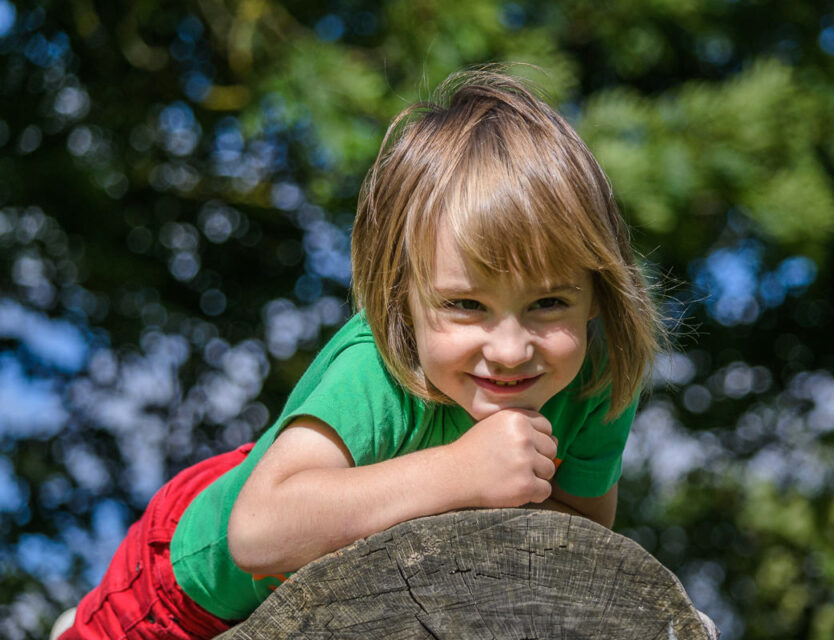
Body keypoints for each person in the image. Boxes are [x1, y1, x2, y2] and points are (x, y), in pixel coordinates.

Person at [54, 68, 661, 639]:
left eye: (550, 303)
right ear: (400, 293)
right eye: (466, 306)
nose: (508, 350)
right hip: (187, 595)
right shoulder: (377, 364)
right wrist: (462, 472)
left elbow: (578, 530)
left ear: (597, 294)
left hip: (354, 603)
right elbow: (257, 533)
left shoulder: (597, 376)